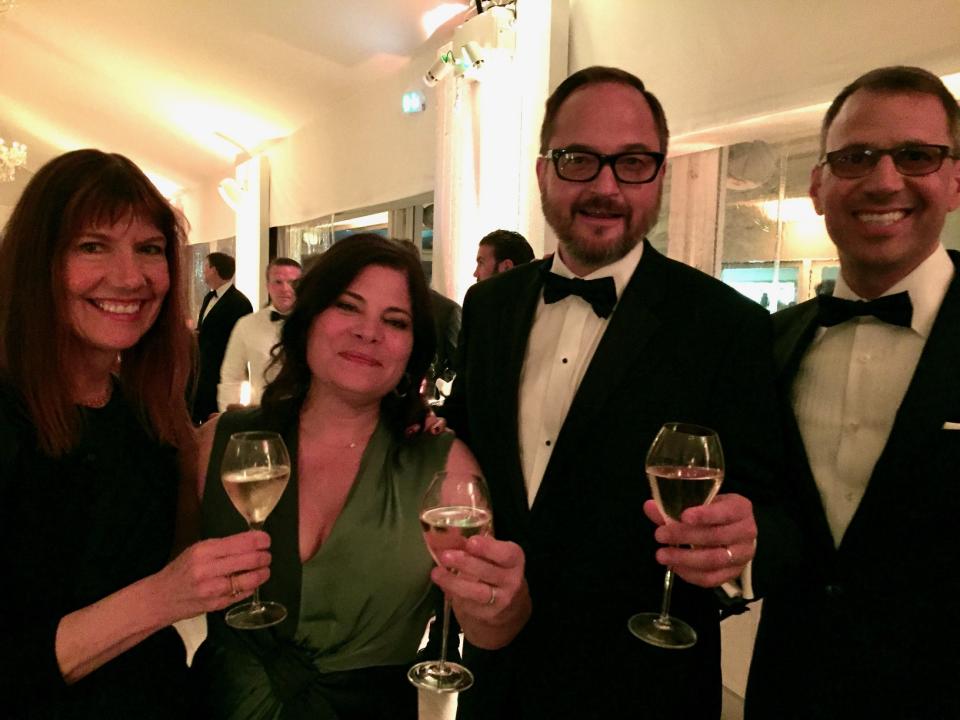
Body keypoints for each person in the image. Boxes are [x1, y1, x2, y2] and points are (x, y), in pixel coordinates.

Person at [442, 66, 782, 719]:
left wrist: (740, 552)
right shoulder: (489, 306)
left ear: (658, 175)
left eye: (631, 162)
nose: (605, 186)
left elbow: (773, 508)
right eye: (578, 160)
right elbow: (466, 448)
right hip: (499, 674)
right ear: (543, 171)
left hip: (643, 684)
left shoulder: (726, 324)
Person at [0, 149, 272, 718]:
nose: (130, 278)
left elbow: (151, 550)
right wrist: (164, 596)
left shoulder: (145, 411)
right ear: (37, 262)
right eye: (92, 246)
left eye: (149, 249)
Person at [192, 234, 507, 720]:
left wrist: (503, 600)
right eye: (347, 307)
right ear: (309, 319)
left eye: (395, 321)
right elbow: (155, 581)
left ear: (413, 350)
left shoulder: (445, 468)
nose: (368, 332)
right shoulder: (224, 445)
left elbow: (489, 628)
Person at [746, 66, 960, 720]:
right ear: (818, 185)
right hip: (789, 688)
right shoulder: (769, 346)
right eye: (855, 157)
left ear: (955, 179)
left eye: (916, 156)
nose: (885, 179)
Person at [218, 257, 302, 410]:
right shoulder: (247, 325)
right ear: (267, 286)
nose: (285, 289)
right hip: (262, 414)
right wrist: (230, 418)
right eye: (278, 282)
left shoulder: (315, 324)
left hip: (308, 415)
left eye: (293, 283)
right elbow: (231, 377)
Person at [193, 251, 252, 423]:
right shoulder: (208, 298)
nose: (203, 271)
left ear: (214, 270)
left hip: (224, 372)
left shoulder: (240, 302)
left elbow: (240, 341)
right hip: (204, 371)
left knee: (222, 421)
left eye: (206, 266)